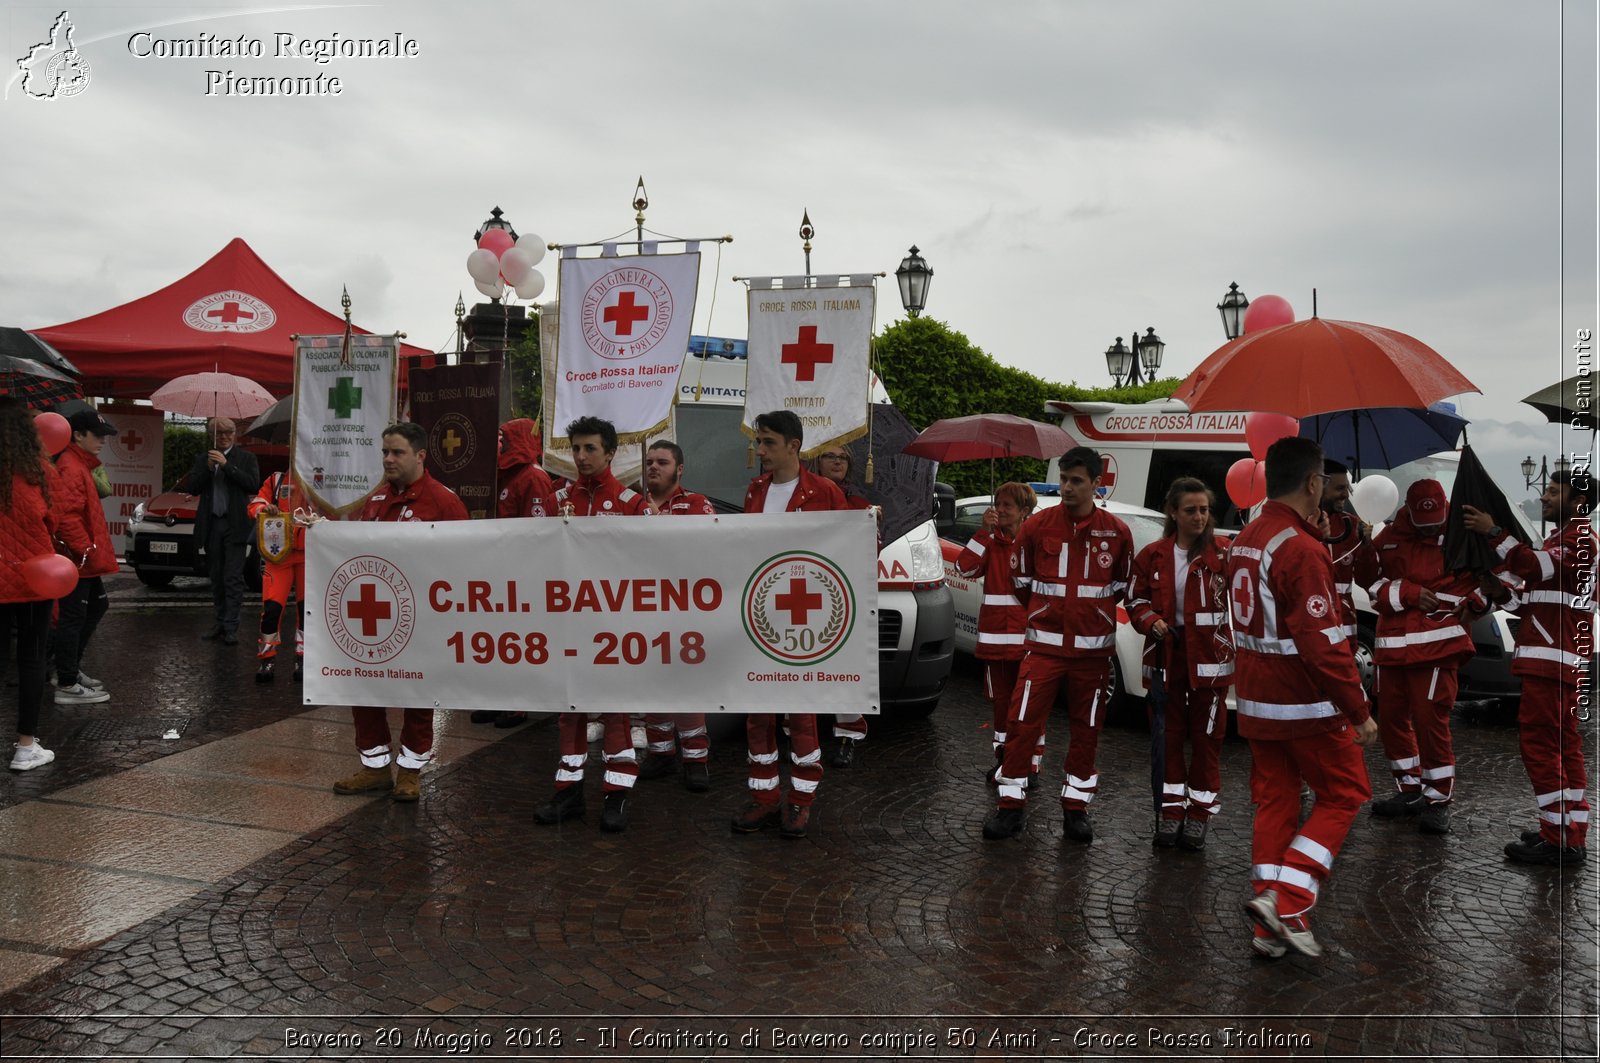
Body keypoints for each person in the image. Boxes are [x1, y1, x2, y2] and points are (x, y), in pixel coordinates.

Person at [1228, 436, 1377, 959]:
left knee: (1276, 802)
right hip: (1303, 703)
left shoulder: (1249, 536)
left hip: (1255, 699)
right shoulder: (1300, 547)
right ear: (1313, 483)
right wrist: (1358, 710)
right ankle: (1288, 901)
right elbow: (1322, 642)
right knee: (1346, 793)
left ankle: (1268, 929)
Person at [983, 447, 1133, 844]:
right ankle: (1009, 807)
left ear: (1095, 484)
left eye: (1077, 481)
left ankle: (1076, 810)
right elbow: (1021, 584)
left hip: (1092, 656)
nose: (1068, 487)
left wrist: (1088, 620)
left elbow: (1119, 589)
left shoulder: (1117, 532)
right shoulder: (1037, 528)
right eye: (1064, 479)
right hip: (1043, 651)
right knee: (1021, 725)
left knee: (1087, 731)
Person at [1463, 469, 1597, 866]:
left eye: (1554, 492)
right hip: (1555, 663)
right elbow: (1528, 604)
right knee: (1564, 749)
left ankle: (1557, 838)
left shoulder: (1580, 541)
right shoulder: (1564, 541)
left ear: (1578, 502)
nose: (1544, 497)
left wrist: (1494, 532)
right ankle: (1569, 831)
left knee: (1542, 748)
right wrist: (1498, 591)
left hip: (1552, 664)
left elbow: (1533, 566)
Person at [331, 423, 468, 803]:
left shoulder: (444, 503)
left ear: (421, 455)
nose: (388, 459)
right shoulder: (374, 503)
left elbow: (463, 563)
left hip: (423, 620)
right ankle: (374, 767)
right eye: (385, 453)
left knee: (419, 693)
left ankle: (410, 770)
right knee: (365, 687)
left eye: (397, 453)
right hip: (375, 619)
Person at [733, 409, 848, 839]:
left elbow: (845, 553)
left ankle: (801, 802)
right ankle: (764, 799)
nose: (759, 451)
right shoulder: (755, 490)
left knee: (801, 713)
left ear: (793, 446)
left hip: (805, 618)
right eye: (759, 442)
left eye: (767, 442)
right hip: (762, 617)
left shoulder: (825, 492)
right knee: (758, 715)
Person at [534, 415, 647, 833]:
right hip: (567, 625)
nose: (580, 457)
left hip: (614, 627)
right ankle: (568, 794)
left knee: (615, 713)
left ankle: (616, 797)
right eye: (575, 448)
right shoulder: (555, 500)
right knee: (570, 711)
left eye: (590, 449)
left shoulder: (633, 506)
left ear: (611, 453)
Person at [1365, 479, 1487, 835]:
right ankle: (1409, 789)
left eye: (1436, 521)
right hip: (1392, 647)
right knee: (1390, 720)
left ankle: (1437, 800)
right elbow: (1369, 585)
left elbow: (1497, 577)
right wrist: (1407, 592)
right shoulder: (1388, 537)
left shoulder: (1465, 534)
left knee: (1431, 722)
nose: (1431, 527)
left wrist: (1477, 603)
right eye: (1424, 522)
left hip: (1438, 647)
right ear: (1409, 511)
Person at [1127, 477, 1234, 851]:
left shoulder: (1223, 554)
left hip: (1211, 661)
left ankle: (1199, 815)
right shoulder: (1153, 555)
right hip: (1166, 655)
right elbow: (1134, 600)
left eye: (1204, 510)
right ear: (1173, 512)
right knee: (1168, 737)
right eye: (1190, 510)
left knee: (1207, 741)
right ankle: (1172, 812)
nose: (1199, 517)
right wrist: (1149, 620)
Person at [633, 440, 717, 792]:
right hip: (643, 608)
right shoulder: (632, 506)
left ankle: (696, 759)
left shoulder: (696, 504)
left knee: (686, 686)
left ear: (679, 469)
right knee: (653, 682)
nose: (653, 467)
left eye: (662, 462)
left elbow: (707, 551)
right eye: (649, 462)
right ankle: (660, 753)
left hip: (685, 611)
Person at [471, 418, 560, 728]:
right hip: (496, 570)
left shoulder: (532, 477)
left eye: (504, 438)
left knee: (518, 642)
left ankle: (517, 705)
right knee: (496, 641)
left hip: (521, 574)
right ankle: (496, 699)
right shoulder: (503, 476)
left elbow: (536, 531)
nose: (500, 444)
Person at [953, 481, 1036, 786]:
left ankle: (1031, 763)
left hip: (1028, 641)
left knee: (1028, 703)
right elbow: (963, 568)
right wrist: (981, 533)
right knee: (1002, 703)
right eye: (998, 504)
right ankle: (1004, 758)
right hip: (995, 641)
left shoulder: (1034, 543)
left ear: (1024, 512)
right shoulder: (989, 541)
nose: (1000, 510)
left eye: (1007, 506)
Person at [2, 399, 59, 769]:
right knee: (32, 657)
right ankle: (26, 746)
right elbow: (51, 521)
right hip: (34, 575)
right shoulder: (38, 471)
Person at [50, 408, 119, 704]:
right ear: (78, 435)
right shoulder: (71, 465)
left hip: (82, 559)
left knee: (93, 608)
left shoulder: (79, 464)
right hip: (78, 559)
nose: (103, 441)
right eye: (98, 435)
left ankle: (68, 669)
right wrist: (85, 548)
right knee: (74, 616)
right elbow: (66, 515)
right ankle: (66, 681)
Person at [812, 445, 872, 766]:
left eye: (844, 457)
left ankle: (848, 736)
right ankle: (799, 738)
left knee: (846, 670)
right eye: (830, 455)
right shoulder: (801, 500)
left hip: (845, 596)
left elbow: (869, 554)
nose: (837, 461)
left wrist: (873, 526)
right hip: (803, 592)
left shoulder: (862, 505)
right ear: (816, 461)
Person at [187, 417, 259, 646]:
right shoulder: (204, 459)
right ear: (212, 436)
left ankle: (231, 626)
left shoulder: (246, 458)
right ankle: (220, 621)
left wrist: (227, 466)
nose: (224, 437)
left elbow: (252, 484)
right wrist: (208, 469)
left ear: (235, 434)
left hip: (235, 524)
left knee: (233, 577)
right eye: (219, 433)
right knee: (216, 576)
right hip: (212, 524)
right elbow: (193, 487)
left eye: (228, 432)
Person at [245, 470, 321, 683]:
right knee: (271, 610)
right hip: (278, 554)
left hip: (310, 553)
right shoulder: (276, 479)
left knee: (307, 610)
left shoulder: (320, 478)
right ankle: (266, 659)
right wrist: (264, 509)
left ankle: (303, 658)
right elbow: (255, 504)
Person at [1320, 460, 1379, 648]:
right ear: (1318, 487)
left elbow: (1367, 580)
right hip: (1314, 620)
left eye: (1347, 488)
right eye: (1339, 488)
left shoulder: (1353, 525)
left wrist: (1367, 547)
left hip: (1345, 627)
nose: (1346, 494)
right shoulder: (1300, 524)